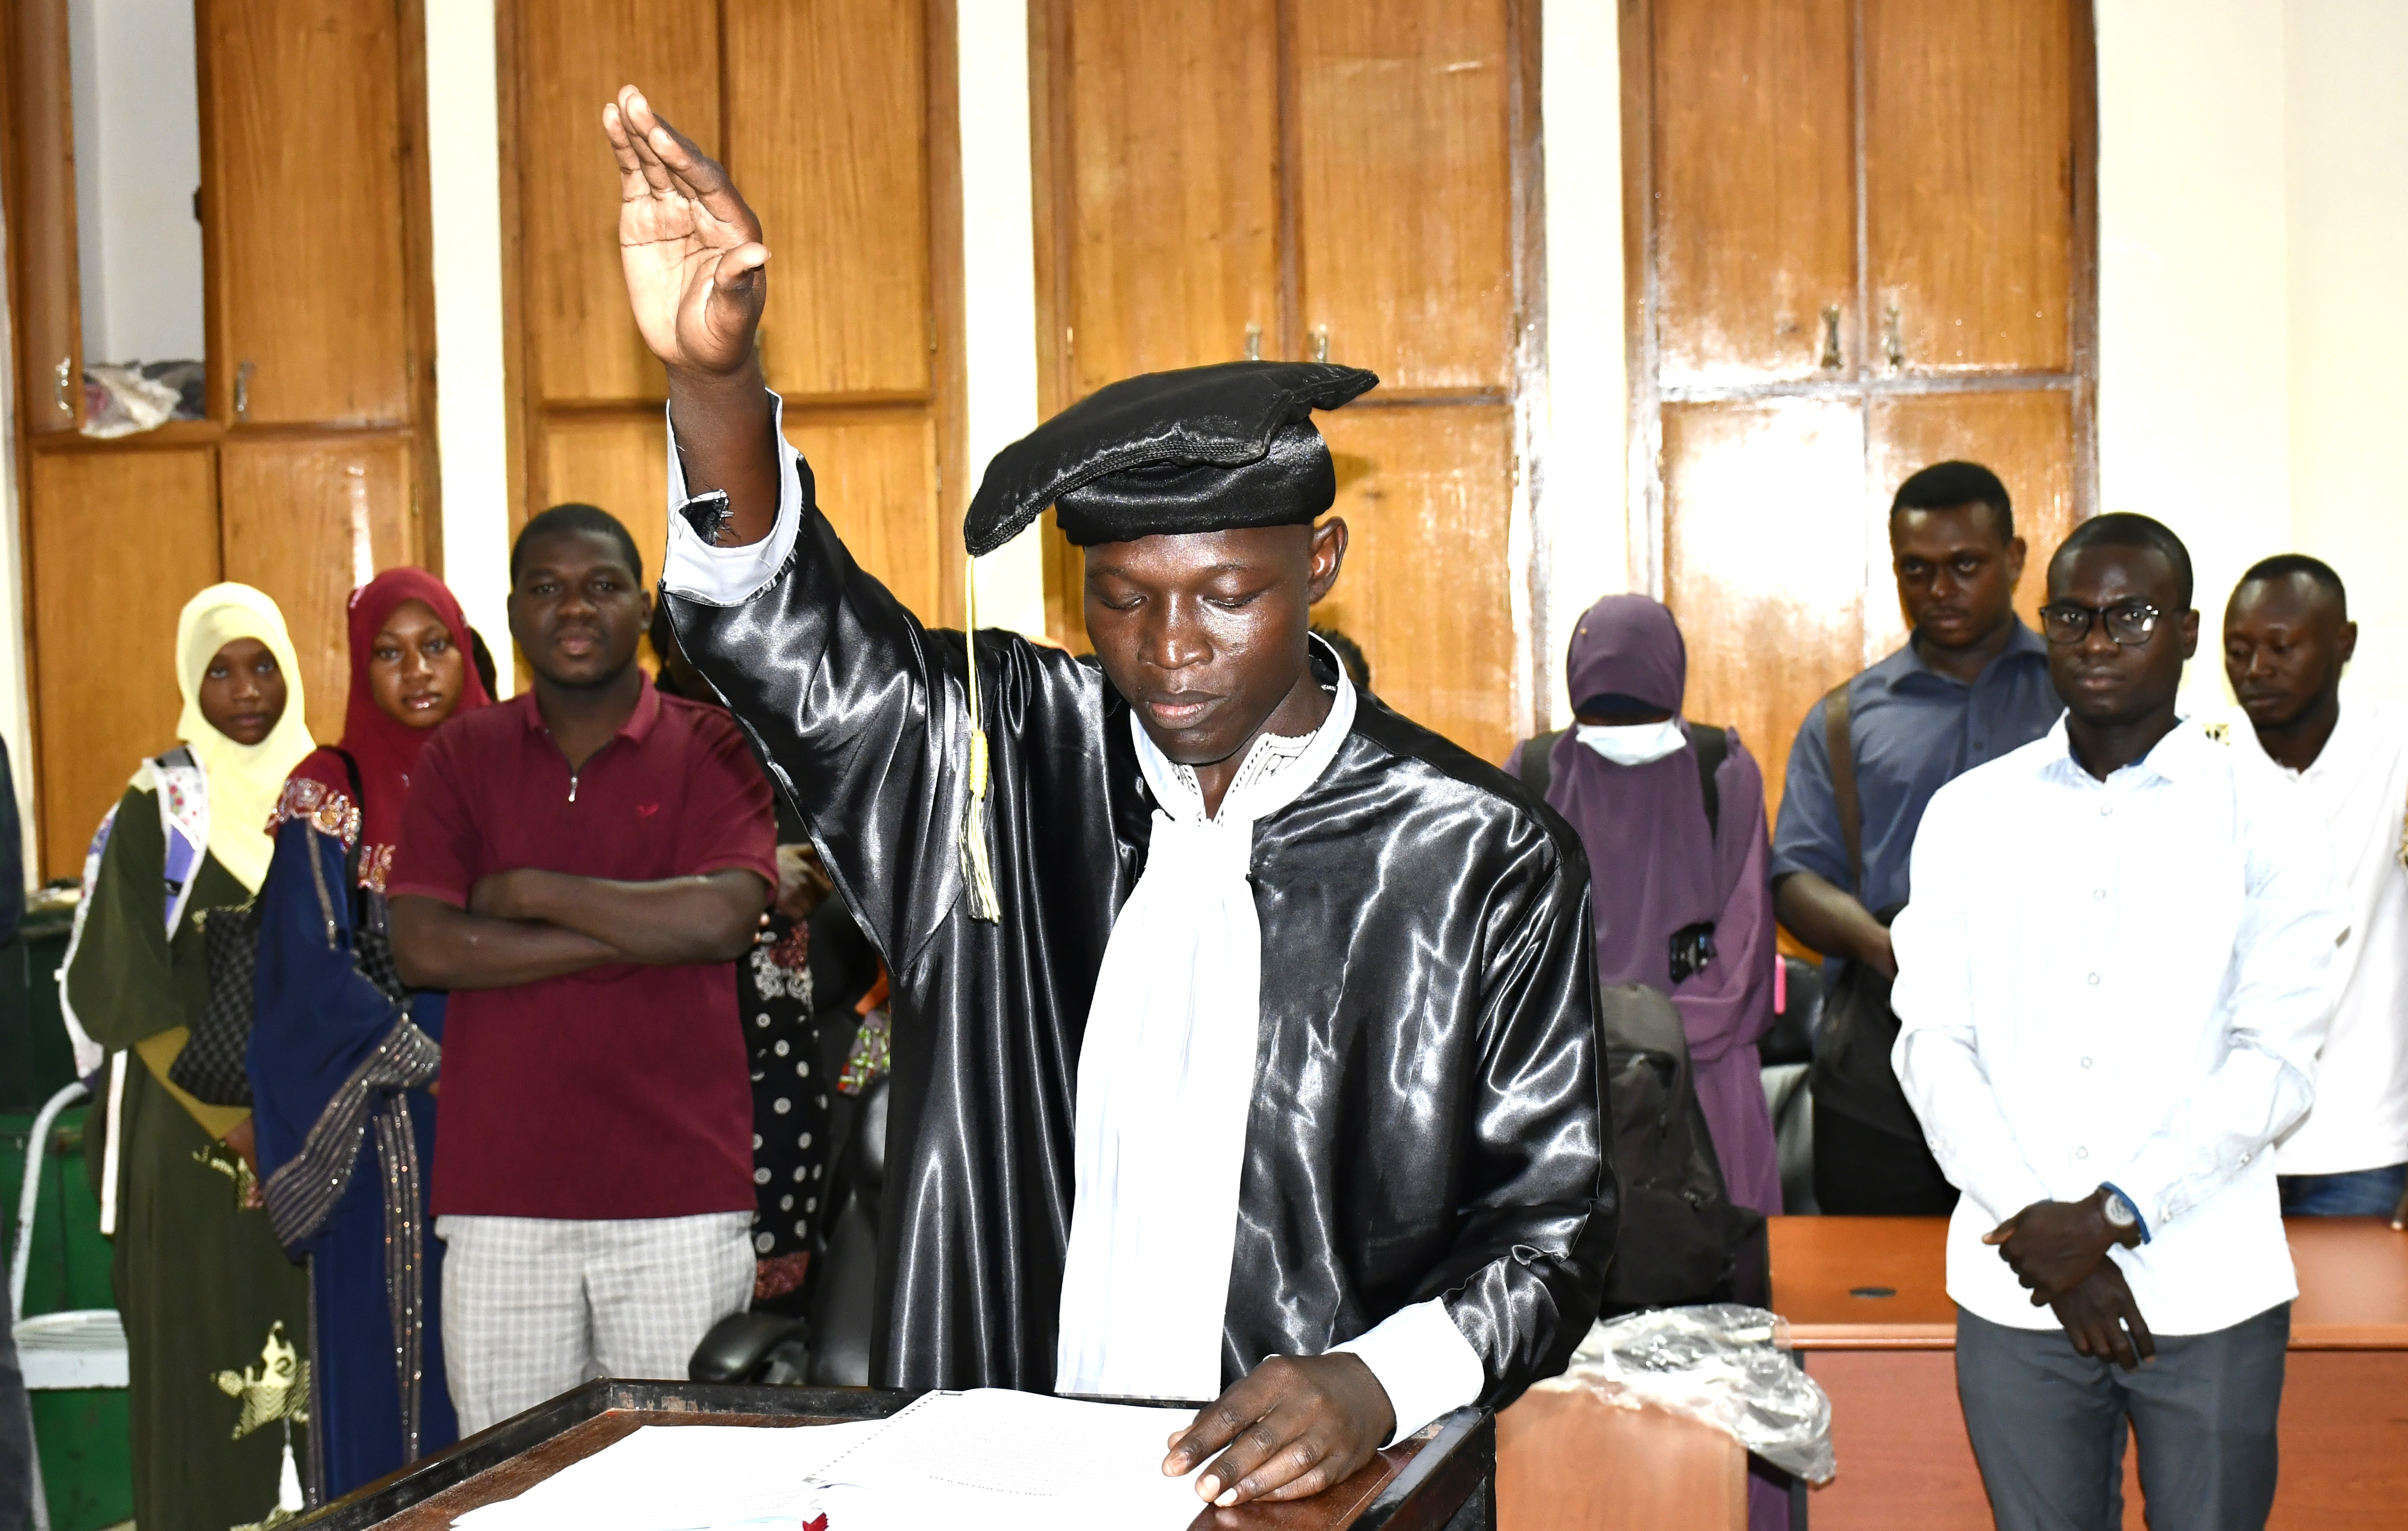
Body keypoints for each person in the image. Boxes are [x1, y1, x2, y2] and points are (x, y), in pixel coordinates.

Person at [609, 86, 1608, 1508]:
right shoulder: (1002, 763)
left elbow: (1553, 1224)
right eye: (1125, 601)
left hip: (1319, 1489)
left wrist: (1375, 1377)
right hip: (1023, 1470)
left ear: (1319, 563)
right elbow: (789, 638)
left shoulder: (1478, 854)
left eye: (1227, 595)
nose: (1172, 648)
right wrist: (717, 380)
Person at [1892, 514, 2344, 1531]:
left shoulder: (2267, 816)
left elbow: (2275, 1061)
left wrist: (2106, 1219)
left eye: (2130, 617)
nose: (2097, 641)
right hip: (2019, 1291)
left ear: (2186, 632)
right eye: (2072, 617)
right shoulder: (1970, 815)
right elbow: (1932, 1043)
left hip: (2209, 1287)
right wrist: (2038, 1225)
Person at [386, 503, 777, 1434]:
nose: (574, 608)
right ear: (512, 612)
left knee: (688, 1488)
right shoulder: (460, 755)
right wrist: (641, 929)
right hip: (501, 1206)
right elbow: (424, 946)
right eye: (547, 587)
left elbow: (724, 917)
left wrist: (526, 890)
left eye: (602, 586)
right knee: (515, 1484)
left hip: (680, 1202)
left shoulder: (714, 744)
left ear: (643, 608)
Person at [61, 585, 317, 1531]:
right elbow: (123, 990)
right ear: (188, 681)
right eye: (219, 671)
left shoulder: (326, 795)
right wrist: (239, 1127)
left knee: (328, 1394)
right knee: (197, 1390)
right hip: (192, 1147)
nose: (245, 690)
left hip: (317, 1145)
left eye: (263, 666)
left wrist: (302, 1128)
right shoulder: (158, 806)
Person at [247, 569, 493, 1497]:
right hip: (387, 1120)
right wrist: (428, 1063)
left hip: (516, 1115)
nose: (416, 670)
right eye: (389, 653)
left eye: (436, 646)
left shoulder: (515, 768)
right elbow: (304, 967)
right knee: (389, 1357)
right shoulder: (329, 787)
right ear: (360, 665)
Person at [1772, 460, 2062, 1215]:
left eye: (1965, 565)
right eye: (1917, 569)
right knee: (1872, 1279)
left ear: (2015, 559)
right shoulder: (1845, 719)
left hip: (2057, 1040)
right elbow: (1796, 876)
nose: (1940, 588)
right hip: (1881, 1058)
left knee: (2045, 1269)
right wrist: (1886, 948)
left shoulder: (2078, 699)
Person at [1505, 595, 1778, 1216]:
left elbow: (1746, 946)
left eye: (1638, 713)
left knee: (1714, 1256)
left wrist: (1651, 1046)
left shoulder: (1724, 772)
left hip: (1702, 1081)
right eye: (1603, 716)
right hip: (1570, 1083)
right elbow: (1510, 945)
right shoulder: (1534, 774)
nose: (1621, 731)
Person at [2222, 554, 2408, 1221]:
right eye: (2238, 650)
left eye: (2282, 647)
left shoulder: (2395, 748)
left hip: (2366, 1145)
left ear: (2343, 642)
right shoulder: (2202, 761)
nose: (2257, 669)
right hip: (2221, 1152)